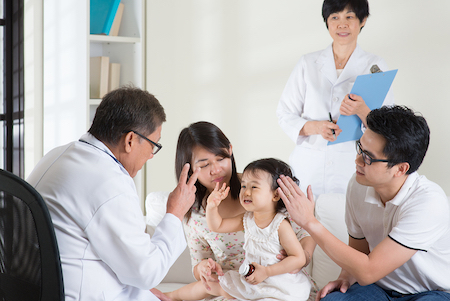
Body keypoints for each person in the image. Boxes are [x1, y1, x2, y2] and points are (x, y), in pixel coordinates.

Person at [26, 86, 200, 301]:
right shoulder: (109, 183)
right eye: (153, 144)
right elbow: (147, 272)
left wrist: (142, 290)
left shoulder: (57, 155)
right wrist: (175, 213)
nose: (151, 156)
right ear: (130, 141)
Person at [277, 105, 450, 300]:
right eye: (360, 148)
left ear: (400, 169)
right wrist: (345, 276)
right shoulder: (358, 185)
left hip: (429, 293)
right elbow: (358, 251)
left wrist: (310, 222)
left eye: (368, 157)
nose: (357, 160)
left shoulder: (429, 203)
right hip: (378, 288)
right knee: (333, 298)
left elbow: (368, 270)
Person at [172, 121, 317, 301]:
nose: (216, 169)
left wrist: (301, 258)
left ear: (230, 150)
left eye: (220, 158)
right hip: (238, 289)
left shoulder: (265, 188)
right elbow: (202, 259)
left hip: (281, 284)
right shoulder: (197, 215)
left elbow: (306, 230)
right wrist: (203, 268)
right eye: (204, 165)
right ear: (189, 168)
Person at [276, 0, 394, 197]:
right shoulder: (308, 63)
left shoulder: (375, 65)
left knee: (346, 221)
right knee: (304, 220)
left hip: (351, 162)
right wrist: (317, 127)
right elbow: (285, 113)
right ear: (327, 22)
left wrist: (362, 110)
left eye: (349, 17)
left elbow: (388, 125)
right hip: (309, 162)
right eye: (335, 17)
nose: (342, 24)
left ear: (362, 20)